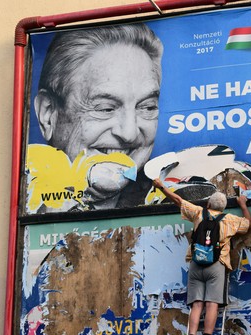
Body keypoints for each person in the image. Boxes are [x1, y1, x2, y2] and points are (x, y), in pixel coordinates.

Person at [34, 24, 163, 210]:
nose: (129, 133)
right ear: (48, 115)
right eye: (105, 108)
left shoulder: (172, 206)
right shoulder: (28, 208)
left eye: (147, 107)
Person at [153, 178, 251, 335]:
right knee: (212, 304)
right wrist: (243, 205)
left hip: (196, 263)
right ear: (223, 208)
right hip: (216, 265)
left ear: (208, 203)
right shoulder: (229, 220)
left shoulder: (199, 213)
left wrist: (161, 186)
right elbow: (249, 224)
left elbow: (178, 200)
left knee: (197, 304)